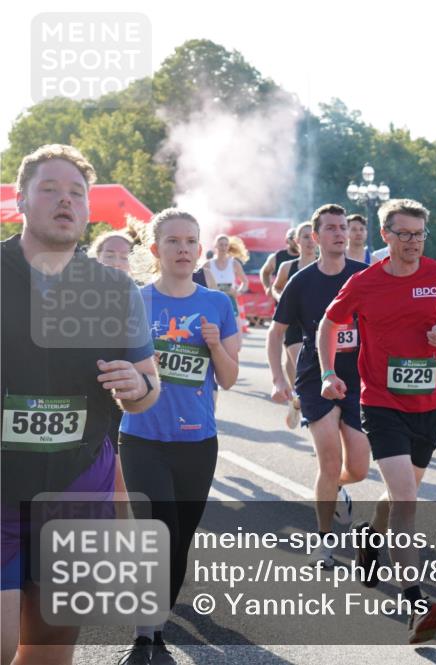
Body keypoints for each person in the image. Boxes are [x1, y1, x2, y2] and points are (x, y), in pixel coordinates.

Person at [1, 144, 159, 665]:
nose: (64, 201)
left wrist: (137, 389)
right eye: (50, 189)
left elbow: (148, 389)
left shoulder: (115, 289)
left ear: (89, 209)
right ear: (22, 199)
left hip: (74, 490)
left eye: (77, 193)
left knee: (48, 654)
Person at [319, 198, 436, 644]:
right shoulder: (364, 282)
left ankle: (371, 533)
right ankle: (416, 602)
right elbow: (328, 326)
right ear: (385, 235)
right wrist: (329, 373)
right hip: (382, 404)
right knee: (407, 497)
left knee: (400, 492)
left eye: (419, 234)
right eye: (404, 234)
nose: (413, 242)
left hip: (430, 406)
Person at [116, 208, 240, 665]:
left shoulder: (218, 305)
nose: (184, 249)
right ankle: (144, 633)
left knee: (180, 538)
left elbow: (227, 379)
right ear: (156, 249)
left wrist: (211, 345)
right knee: (156, 531)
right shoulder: (136, 302)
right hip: (142, 437)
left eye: (191, 241)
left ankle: (159, 619)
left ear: (200, 248)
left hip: (197, 442)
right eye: (173, 241)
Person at [268, 205, 369, 566]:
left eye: (344, 227)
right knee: (329, 459)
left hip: (358, 377)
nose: (340, 233)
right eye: (331, 228)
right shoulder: (302, 281)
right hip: (316, 378)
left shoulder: (365, 275)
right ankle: (324, 541)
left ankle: (336, 488)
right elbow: (276, 333)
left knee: (357, 467)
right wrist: (279, 378)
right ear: (315, 237)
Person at [88, 221, 144, 511]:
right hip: (83, 399)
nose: (118, 261)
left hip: (123, 401)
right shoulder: (76, 295)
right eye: (110, 254)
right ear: (96, 258)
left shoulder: (141, 298)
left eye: (125, 256)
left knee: (120, 479)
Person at [269, 222, 319, 429]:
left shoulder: (323, 265)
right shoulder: (287, 267)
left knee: (308, 366)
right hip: (293, 323)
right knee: (300, 362)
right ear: (296, 241)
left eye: (311, 236)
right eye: (304, 237)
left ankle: (298, 400)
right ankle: (304, 402)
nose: (309, 241)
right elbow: (276, 287)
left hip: (317, 324)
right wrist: (283, 299)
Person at [206, 235, 249, 330]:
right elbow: (198, 283)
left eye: (226, 245)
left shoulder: (234, 263)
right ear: (215, 246)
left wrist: (239, 292)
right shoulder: (208, 264)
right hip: (213, 301)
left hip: (230, 301)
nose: (223, 248)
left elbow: (245, 281)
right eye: (221, 245)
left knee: (232, 333)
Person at [260, 227, 300, 295]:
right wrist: (267, 287)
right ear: (286, 240)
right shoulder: (276, 257)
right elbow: (265, 272)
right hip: (281, 300)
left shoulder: (309, 256)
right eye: (292, 238)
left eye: (297, 238)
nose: (294, 241)